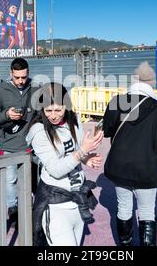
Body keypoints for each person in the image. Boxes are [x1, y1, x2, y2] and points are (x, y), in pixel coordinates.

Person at [26, 82, 103, 246]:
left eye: (58, 109)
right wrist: (82, 152)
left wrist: (86, 158)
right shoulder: (39, 131)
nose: (53, 115)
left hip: (78, 200)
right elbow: (56, 169)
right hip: (55, 205)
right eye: (48, 110)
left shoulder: (73, 120)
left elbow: (73, 152)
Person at [103, 61, 157, 246]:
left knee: (123, 208)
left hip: (119, 164)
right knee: (147, 211)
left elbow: (107, 130)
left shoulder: (118, 102)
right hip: (147, 165)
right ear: (152, 83)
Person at [0, 58, 37, 220]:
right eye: (17, 78)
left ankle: (30, 207)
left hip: (32, 145)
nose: (21, 81)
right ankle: (12, 210)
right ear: (11, 73)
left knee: (31, 179)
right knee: (10, 180)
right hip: (9, 145)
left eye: (24, 77)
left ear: (28, 73)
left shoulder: (36, 88)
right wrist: (7, 115)